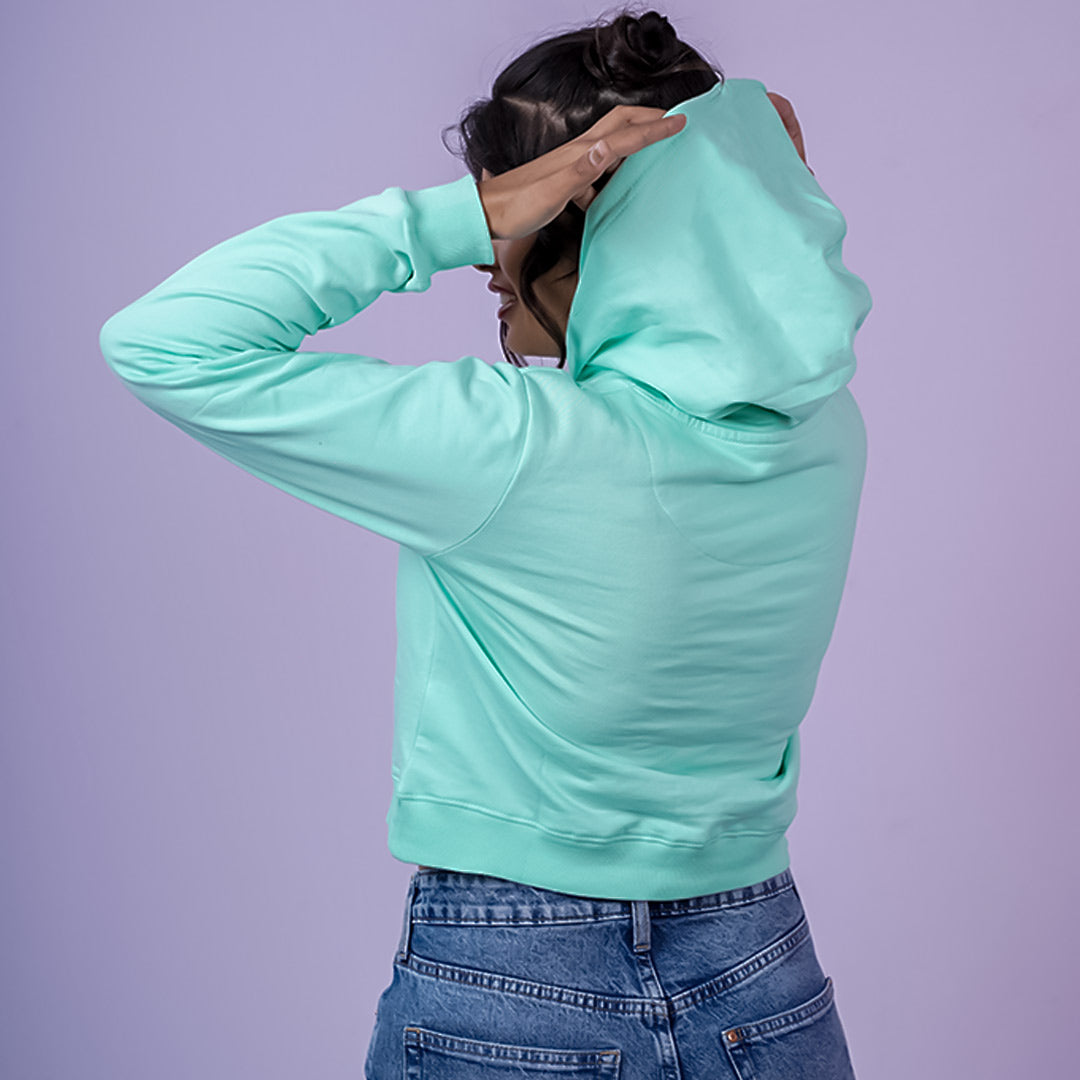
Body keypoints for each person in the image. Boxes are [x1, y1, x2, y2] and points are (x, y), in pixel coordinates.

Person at [98, 7, 871, 1078]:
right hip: (763, 975)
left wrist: (461, 216)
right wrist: (738, 182)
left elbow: (164, 343)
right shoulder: (821, 432)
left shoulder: (517, 446)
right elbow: (756, 281)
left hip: (515, 981)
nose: (492, 264)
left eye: (524, 210)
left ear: (581, 217)